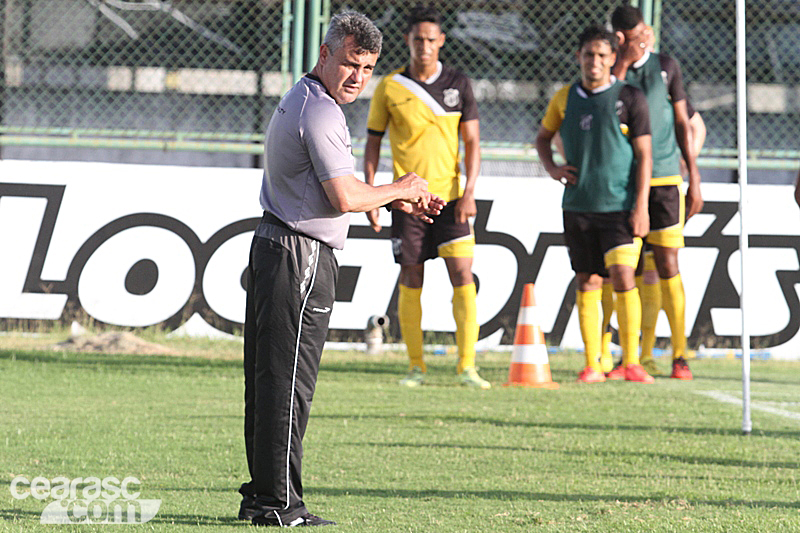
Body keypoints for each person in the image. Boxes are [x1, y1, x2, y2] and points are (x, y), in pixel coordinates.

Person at [238, 12, 445, 527]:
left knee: (267, 383)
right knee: (289, 385)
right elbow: (345, 196)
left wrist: (394, 199)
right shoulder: (323, 113)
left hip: (275, 245)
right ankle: (281, 505)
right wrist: (402, 188)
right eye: (351, 63)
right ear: (326, 53)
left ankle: (262, 497)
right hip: (299, 256)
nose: (358, 76)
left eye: (368, 67)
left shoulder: (305, 96)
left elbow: (341, 194)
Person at [363, 5, 489, 389]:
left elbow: (472, 143)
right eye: (418, 39)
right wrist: (372, 196)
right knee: (411, 275)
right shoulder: (390, 86)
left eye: (431, 39)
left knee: (462, 274)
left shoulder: (459, 84)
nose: (424, 46)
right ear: (408, 41)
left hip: (451, 200)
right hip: (407, 200)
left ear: (441, 42)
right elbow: (372, 144)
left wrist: (469, 193)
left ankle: (467, 365)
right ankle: (416, 366)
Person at [535, 24, 654, 383]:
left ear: (613, 59)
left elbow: (645, 156)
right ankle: (593, 363)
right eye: (589, 54)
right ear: (579, 58)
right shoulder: (564, 98)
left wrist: (642, 205)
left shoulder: (630, 97)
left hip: (620, 205)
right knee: (586, 280)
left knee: (622, 275)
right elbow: (542, 138)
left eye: (602, 55)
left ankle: (630, 361)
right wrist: (554, 168)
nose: (595, 61)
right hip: (578, 204)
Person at [609, 5, 703, 381]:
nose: (643, 39)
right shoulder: (607, 68)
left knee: (667, 265)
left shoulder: (667, 66)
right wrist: (621, 63)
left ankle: (680, 355)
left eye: (644, 32)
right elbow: (604, 109)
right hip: (622, 185)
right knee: (625, 269)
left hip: (664, 180)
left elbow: (683, 121)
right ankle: (633, 356)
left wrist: (693, 176)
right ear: (620, 39)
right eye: (633, 37)